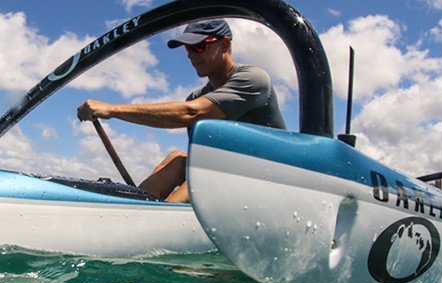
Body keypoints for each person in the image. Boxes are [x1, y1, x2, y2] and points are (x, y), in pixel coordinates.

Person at [76, 19, 286, 203]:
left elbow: (192, 113)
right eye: (188, 49)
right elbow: (203, 157)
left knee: (204, 171)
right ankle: (133, 206)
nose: (192, 55)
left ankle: (154, 222)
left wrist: (112, 110)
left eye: (200, 46)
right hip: (230, 183)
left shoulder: (254, 79)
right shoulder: (196, 96)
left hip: (274, 183)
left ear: (226, 44)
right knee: (177, 159)